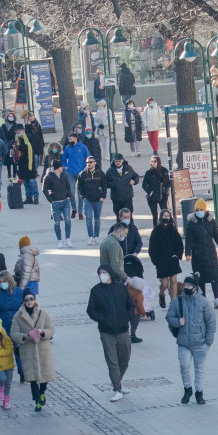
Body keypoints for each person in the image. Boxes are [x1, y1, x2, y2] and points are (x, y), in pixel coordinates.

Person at [87, 265, 135, 402]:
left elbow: (130, 305)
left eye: (104, 273)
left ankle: (118, 382)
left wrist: (127, 317)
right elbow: (91, 310)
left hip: (123, 330)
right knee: (112, 362)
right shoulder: (96, 291)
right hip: (106, 331)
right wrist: (102, 319)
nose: (102, 275)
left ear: (110, 274)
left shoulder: (121, 288)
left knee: (124, 360)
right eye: (100, 273)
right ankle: (117, 389)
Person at [167, 274, 216, 404]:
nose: (186, 287)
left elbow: (211, 322)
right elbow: (169, 317)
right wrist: (178, 321)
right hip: (183, 343)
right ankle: (187, 388)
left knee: (199, 369)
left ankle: (199, 393)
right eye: (185, 285)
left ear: (195, 287)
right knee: (184, 366)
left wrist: (208, 342)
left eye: (188, 285)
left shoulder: (203, 302)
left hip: (200, 343)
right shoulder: (178, 301)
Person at [12, 289, 56, 411]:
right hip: (28, 350)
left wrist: (42, 332)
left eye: (31, 299)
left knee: (44, 377)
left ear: (35, 300)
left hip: (42, 350)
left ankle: (42, 392)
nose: (29, 301)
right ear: (23, 301)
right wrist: (24, 336)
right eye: (27, 299)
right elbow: (14, 333)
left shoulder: (43, 314)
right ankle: (37, 401)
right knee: (32, 378)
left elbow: (51, 330)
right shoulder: (18, 316)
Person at [184, 198, 218, 308]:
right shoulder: (192, 223)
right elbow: (188, 240)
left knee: (214, 277)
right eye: (197, 209)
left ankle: (216, 299)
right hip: (198, 255)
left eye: (201, 209)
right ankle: (203, 300)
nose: (199, 211)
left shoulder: (210, 220)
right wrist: (188, 253)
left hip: (211, 253)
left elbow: (216, 235)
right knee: (201, 279)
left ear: (204, 209)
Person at [148, 209, 183, 309]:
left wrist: (178, 254)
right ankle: (162, 294)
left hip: (172, 259)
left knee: (174, 279)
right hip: (161, 260)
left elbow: (179, 244)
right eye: (165, 216)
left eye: (168, 216)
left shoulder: (173, 230)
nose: (166, 218)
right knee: (164, 283)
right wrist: (156, 261)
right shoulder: (156, 231)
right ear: (161, 217)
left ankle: (173, 302)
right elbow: (152, 248)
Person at [43, 159, 73, 248]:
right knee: (57, 222)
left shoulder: (64, 175)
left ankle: (68, 239)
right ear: (57, 167)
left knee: (68, 220)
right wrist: (50, 200)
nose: (62, 168)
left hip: (65, 201)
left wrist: (69, 196)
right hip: (55, 202)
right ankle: (59, 240)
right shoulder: (48, 177)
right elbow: (44, 190)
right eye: (61, 166)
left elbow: (68, 186)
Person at [78, 155, 107, 244]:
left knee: (97, 219)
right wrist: (84, 197)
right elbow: (80, 187)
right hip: (88, 200)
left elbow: (104, 185)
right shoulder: (82, 174)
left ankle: (96, 236)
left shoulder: (100, 173)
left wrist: (103, 196)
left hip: (98, 199)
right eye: (87, 162)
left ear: (94, 163)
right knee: (88, 218)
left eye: (90, 162)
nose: (89, 164)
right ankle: (90, 236)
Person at [62, 132, 90, 218]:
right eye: (68, 139)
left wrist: (87, 168)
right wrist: (65, 167)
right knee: (71, 191)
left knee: (80, 193)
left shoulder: (82, 147)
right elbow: (63, 159)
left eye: (71, 139)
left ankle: (80, 212)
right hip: (70, 172)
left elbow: (88, 158)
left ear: (75, 139)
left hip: (81, 173)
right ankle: (74, 208)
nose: (69, 141)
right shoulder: (67, 148)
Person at [105, 153, 140, 220]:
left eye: (119, 161)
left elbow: (136, 176)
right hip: (116, 198)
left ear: (122, 161)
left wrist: (134, 181)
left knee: (128, 215)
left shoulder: (128, 168)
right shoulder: (110, 171)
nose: (117, 163)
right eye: (116, 161)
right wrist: (112, 184)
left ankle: (130, 229)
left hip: (127, 196)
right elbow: (106, 183)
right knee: (118, 216)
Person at [141, 155, 170, 226]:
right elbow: (144, 185)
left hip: (162, 195)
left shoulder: (164, 170)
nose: (153, 163)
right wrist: (149, 192)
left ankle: (165, 226)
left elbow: (169, 182)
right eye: (151, 161)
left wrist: (165, 189)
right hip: (152, 197)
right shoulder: (148, 172)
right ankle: (156, 228)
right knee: (155, 215)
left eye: (155, 161)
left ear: (158, 162)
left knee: (164, 212)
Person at [16, 129, 40, 204]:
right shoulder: (17, 139)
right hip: (22, 164)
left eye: (19, 131)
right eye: (16, 131)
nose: (18, 132)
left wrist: (19, 147)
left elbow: (28, 147)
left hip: (30, 163)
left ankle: (36, 198)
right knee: (26, 182)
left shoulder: (28, 137)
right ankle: (29, 197)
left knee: (32, 181)